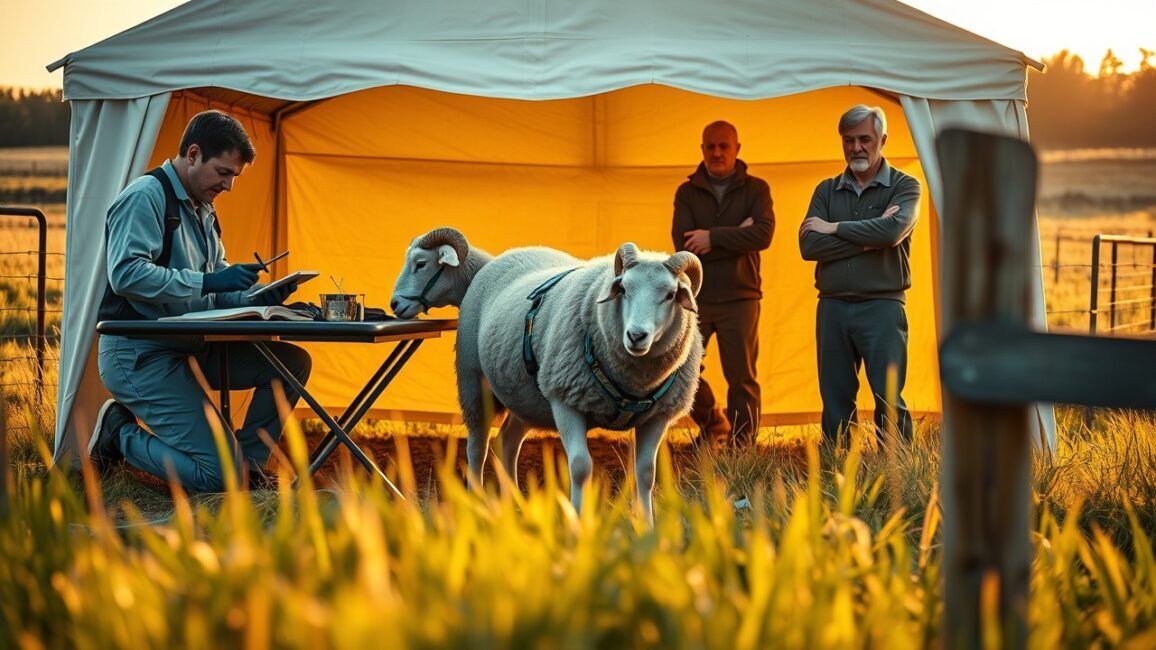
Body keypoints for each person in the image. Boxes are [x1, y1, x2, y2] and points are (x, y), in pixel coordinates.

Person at [88, 109, 312, 491]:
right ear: (193, 154)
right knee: (218, 478)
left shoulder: (203, 207)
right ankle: (119, 435)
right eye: (223, 173)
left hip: (191, 344)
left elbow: (214, 289)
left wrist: (257, 295)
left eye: (234, 176)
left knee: (291, 363)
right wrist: (209, 279)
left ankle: (250, 468)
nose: (229, 186)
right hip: (139, 354)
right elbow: (125, 274)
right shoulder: (145, 197)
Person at [798, 104, 921, 446]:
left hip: (883, 307)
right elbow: (809, 246)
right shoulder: (826, 190)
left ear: (882, 139)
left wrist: (835, 228)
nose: (856, 148)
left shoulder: (906, 187)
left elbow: (892, 232)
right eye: (848, 140)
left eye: (864, 139)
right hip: (833, 307)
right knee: (835, 401)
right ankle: (835, 478)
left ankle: (900, 478)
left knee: (889, 399)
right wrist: (868, 241)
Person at [672, 121, 775, 447]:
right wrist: (738, 234)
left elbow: (763, 235)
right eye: (710, 146)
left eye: (723, 146)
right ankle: (713, 421)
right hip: (696, 298)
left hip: (741, 298)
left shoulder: (756, 189)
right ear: (702, 149)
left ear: (737, 149)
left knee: (742, 378)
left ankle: (742, 447)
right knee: (681, 368)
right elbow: (684, 245)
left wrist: (712, 237)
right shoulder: (687, 192)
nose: (717, 153)